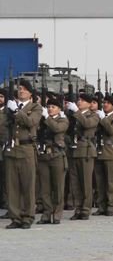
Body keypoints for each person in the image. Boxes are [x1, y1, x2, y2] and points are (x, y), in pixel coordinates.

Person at [4, 80, 43, 229]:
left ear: (30, 93)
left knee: (28, 185)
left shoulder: (35, 107)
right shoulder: (10, 106)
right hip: (12, 149)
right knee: (12, 186)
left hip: (26, 149)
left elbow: (30, 122)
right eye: (20, 89)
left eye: (24, 89)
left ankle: (27, 216)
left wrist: (16, 111)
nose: (21, 91)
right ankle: (15, 217)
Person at [67, 93, 100, 221]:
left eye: (82, 100)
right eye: (78, 100)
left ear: (89, 103)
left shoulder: (93, 115)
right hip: (74, 151)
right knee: (75, 183)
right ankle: (78, 208)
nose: (79, 102)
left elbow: (87, 124)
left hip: (86, 151)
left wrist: (76, 112)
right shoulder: (74, 115)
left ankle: (86, 209)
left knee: (86, 183)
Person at [36, 96, 69, 224]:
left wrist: (46, 117)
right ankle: (46, 214)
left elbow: (57, 129)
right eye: (48, 107)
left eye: (53, 107)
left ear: (59, 109)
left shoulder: (63, 120)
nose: (50, 109)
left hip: (57, 156)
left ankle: (57, 214)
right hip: (44, 156)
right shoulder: (43, 119)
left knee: (58, 187)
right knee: (45, 188)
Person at [94, 94, 113, 216]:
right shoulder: (97, 116)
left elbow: (112, 131)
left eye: (108, 103)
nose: (105, 105)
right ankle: (101, 206)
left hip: (110, 151)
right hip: (98, 151)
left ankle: (111, 205)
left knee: (111, 181)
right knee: (99, 181)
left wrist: (103, 119)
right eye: (104, 102)